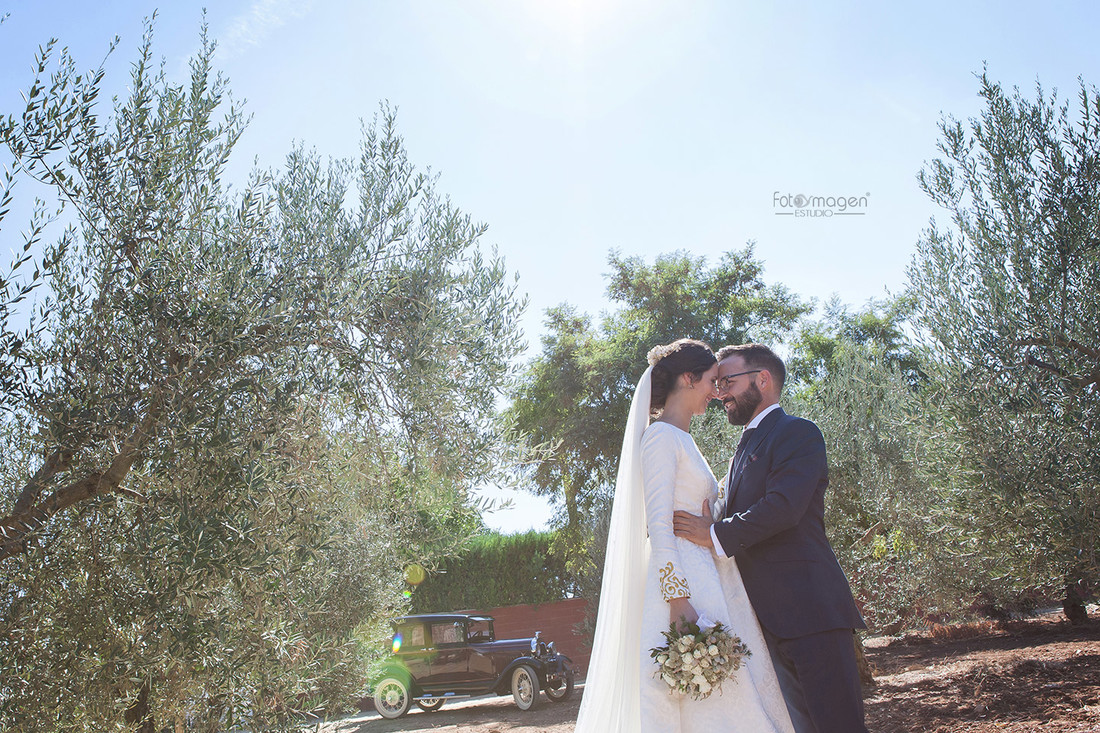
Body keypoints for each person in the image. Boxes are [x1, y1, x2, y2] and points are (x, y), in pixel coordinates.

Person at [575, 339, 793, 733]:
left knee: (729, 692)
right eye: (712, 381)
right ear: (689, 379)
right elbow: (658, 525)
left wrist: (716, 515)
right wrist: (678, 601)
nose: (717, 391)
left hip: (709, 577)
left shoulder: (683, 439)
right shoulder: (660, 438)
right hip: (683, 589)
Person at [673, 343, 868, 733]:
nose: (719, 392)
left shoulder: (798, 433)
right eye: (717, 382)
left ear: (762, 380)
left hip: (811, 613)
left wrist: (715, 533)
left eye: (728, 380)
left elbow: (783, 507)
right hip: (765, 624)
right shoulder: (740, 450)